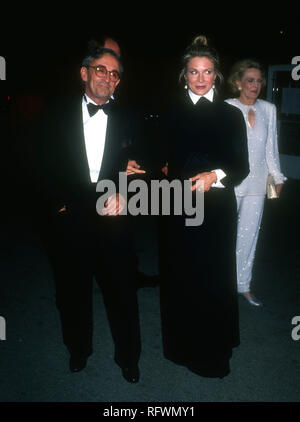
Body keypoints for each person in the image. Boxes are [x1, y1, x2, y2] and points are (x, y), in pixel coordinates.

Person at [37, 44, 145, 383]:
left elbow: (150, 164)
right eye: (101, 69)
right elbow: (37, 164)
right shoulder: (54, 115)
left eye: (114, 74)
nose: (107, 78)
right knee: (72, 293)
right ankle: (78, 350)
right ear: (84, 73)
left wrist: (128, 196)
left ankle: (129, 357)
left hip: (115, 220)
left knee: (122, 295)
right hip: (70, 219)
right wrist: (58, 204)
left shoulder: (131, 117)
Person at [158, 35, 249, 378]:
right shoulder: (169, 111)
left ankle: (213, 353)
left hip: (215, 211)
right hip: (177, 207)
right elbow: (160, 157)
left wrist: (215, 175)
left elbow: (242, 167)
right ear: (184, 74)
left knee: (211, 278)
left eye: (207, 72)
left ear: (216, 76)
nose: (200, 78)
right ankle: (181, 348)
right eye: (194, 72)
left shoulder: (230, 115)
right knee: (180, 276)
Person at [225, 59, 287, 307]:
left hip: (258, 183)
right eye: (250, 80)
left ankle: (243, 285)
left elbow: (271, 148)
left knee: (249, 237)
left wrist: (278, 177)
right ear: (238, 82)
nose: (255, 85)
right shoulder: (227, 107)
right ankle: (220, 283)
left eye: (259, 80)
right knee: (225, 235)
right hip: (230, 182)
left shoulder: (268, 109)